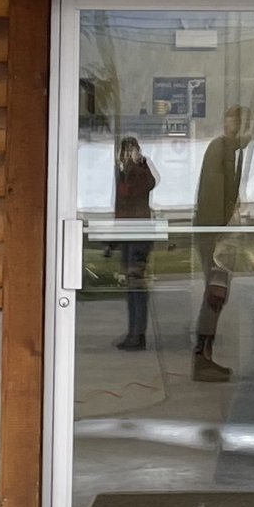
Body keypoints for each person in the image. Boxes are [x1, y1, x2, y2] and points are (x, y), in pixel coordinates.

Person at [190, 107, 249, 382]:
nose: (236, 125)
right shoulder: (221, 148)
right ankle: (202, 356)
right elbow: (215, 195)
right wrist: (220, 236)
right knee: (215, 293)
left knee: (217, 293)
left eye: (240, 121)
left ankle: (205, 354)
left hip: (219, 233)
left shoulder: (232, 151)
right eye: (233, 119)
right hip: (215, 234)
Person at [111, 133, 158, 349]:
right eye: (125, 151)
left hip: (138, 235)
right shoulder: (124, 173)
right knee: (132, 286)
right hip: (129, 233)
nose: (127, 155)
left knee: (136, 285)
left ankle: (138, 334)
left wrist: (142, 162)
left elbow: (147, 186)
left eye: (131, 151)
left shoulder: (137, 173)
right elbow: (121, 206)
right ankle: (134, 332)